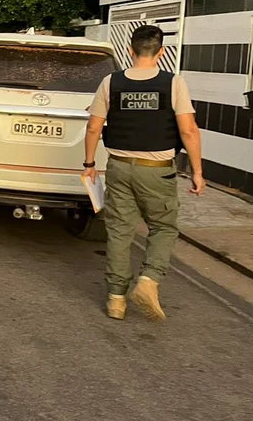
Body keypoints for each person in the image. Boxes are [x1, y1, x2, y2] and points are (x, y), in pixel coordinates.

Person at [83, 24, 204, 322]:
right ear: (161, 52)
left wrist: (89, 165)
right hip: (157, 171)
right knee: (163, 227)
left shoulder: (111, 82)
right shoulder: (173, 83)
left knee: (120, 231)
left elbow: (94, 127)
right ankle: (149, 280)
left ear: (130, 50)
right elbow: (188, 129)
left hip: (119, 167)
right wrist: (198, 172)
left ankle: (116, 300)